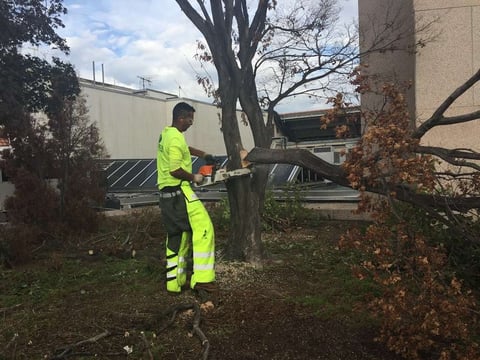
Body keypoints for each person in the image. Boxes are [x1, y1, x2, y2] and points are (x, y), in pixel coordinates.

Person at [156, 102, 216, 294]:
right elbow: (175, 170)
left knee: (178, 237)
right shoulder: (174, 139)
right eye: (190, 119)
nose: (191, 123)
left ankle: (174, 283)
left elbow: (183, 148)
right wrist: (195, 177)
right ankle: (203, 280)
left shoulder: (168, 133)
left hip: (167, 197)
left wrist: (203, 154)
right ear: (181, 118)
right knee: (204, 228)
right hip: (179, 192)